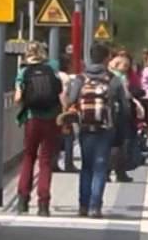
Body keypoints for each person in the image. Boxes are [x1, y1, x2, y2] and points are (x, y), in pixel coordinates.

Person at [65, 42, 128, 218]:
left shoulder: (81, 78)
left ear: (90, 57)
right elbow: (124, 107)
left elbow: (71, 100)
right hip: (106, 128)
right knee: (100, 167)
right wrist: (122, 130)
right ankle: (95, 206)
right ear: (107, 58)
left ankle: (83, 206)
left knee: (86, 166)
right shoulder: (113, 79)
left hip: (85, 128)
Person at [13, 42, 63, 215]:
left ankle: (23, 200)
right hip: (50, 119)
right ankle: (43, 204)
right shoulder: (52, 69)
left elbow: (17, 98)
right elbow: (60, 92)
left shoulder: (24, 72)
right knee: (46, 160)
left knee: (29, 157)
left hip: (32, 119)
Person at [107, 53, 139, 183]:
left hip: (106, 113)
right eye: (124, 65)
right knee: (119, 145)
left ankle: (107, 172)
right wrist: (128, 113)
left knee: (110, 145)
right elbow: (124, 97)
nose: (126, 68)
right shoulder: (119, 79)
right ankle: (119, 172)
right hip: (118, 115)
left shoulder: (107, 76)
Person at [55, 44, 78, 173]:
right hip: (62, 109)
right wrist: (66, 109)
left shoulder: (55, 75)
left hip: (53, 109)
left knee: (56, 137)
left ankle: (54, 162)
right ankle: (68, 164)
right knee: (69, 137)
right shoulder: (65, 78)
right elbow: (63, 94)